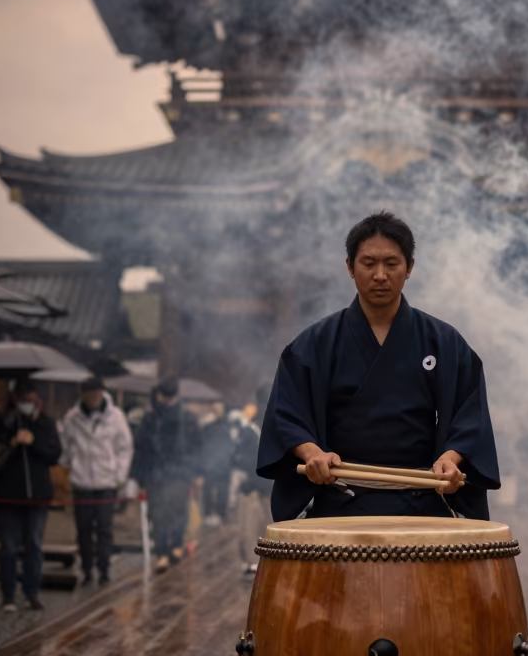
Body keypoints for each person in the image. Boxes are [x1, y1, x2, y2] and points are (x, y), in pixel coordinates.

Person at [257, 211, 500, 520]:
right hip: (341, 500)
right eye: (369, 264)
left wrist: (449, 460)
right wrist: (312, 454)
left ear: (409, 267)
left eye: (392, 264)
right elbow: (286, 414)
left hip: (422, 499)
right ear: (350, 266)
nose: (380, 275)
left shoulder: (444, 342)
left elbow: (470, 416)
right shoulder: (315, 344)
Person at [0, 378, 62, 613]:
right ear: (14, 398)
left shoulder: (46, 424)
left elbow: (54, 454)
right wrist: (12, 442)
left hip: (37, 496)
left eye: (31, 395)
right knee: (8, 547)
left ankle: (32, 591)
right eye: (22, 395)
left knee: (34, 545)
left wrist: (33, 442)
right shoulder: (0, 424)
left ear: (37, 397)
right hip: (7, 496)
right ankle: (8, 595)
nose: (27, 400)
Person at [59, 376, 134, 585]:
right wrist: (68, 466)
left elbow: (124, 447)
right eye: (90, 394)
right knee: (83, 528)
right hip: (81, 481)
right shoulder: (72, 417)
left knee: (104, 527)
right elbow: (65, 446)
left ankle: (104, 567)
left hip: (106, 481)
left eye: (97, 393)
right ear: (82, 395)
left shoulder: (116, 417)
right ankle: (86, 568)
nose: (94, 398)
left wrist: (119, 475)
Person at [133, 377, 202, 572]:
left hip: (173, 473)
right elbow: (142, 448)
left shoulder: (155, 418)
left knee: (168, 512)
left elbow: (140, 449)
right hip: (164, 473)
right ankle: (168, 548)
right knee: (165, 512)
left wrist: (139, 475)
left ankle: (169, 548)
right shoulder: (154, 419)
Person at [235, 400, 272, 571]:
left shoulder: (254, 432)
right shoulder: (251, 432)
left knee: (257, 525)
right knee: (255, 524)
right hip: (259, 486)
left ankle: (255, 560)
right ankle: (254, 560)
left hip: (259, 486)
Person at [201, 402, 235, 528]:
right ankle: (211, 514)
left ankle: (220, 514)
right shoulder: (210, 426)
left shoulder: (226, 427)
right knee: (210, 489)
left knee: (221, 490)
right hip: (213, 464)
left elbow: (230, 446)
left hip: (221, 464)